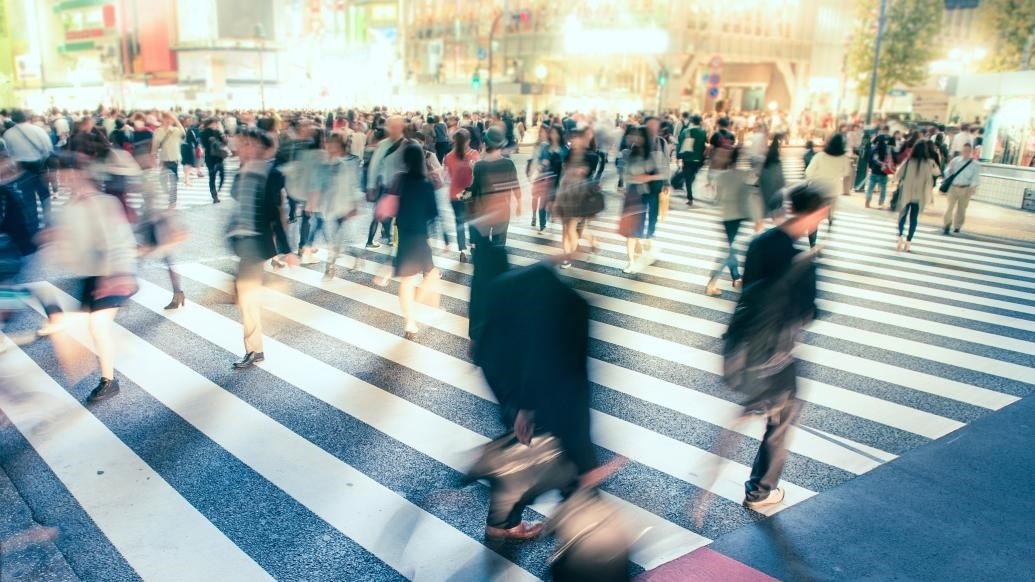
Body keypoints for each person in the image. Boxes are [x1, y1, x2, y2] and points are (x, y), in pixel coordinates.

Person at [473, 257, 600, 540]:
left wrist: (519, 408)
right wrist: (586, 460)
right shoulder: (570, 307)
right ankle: (582, 527)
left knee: (527, 441)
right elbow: (571, 382)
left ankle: (504, 520)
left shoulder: (509, 287)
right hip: (531, 381)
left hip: (504, 369)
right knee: (551, 449)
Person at [730, 182, 828, 509]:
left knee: (775, 410)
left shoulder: (760, 243)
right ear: (815, 213)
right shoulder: (801, 261)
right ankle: (760, 490)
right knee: (783, 419)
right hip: (777, 356)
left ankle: (760, 404)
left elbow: (748, 290)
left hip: (746, 346)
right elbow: (808, 313)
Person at [51, 158, 139, 403]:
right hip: (91, 276)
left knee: (98, 325)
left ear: (83, 174)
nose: (65, 180)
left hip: (114, 274)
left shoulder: (106, 203)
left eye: (69, 174)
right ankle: (116, 349)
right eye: (62, 176)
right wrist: (57, 241)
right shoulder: (68, 208)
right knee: (88, 327)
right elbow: (71, 253)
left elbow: (122, 242)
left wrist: (115, 276)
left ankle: (108, 381)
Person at [226, 127, 296, 369]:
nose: (241, 149)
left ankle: (254, 350)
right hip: (242, 241)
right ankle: (255, 348)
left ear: (257, 147)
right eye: (241, 145)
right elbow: (236, 195)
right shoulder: (244, 171)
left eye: (246, 144)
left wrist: (287, 249)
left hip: (256, 242)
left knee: (246, 297)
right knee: (245, 295)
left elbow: (274, 212)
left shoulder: (270, 173)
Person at [387, 143, 441, 340]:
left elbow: (390, 206)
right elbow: (433, 213)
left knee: (406, 281)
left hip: (404, 235)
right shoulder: (426, 184)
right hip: (420, 237)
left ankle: (409, 322)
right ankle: (418, 303)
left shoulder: (399, 181)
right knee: (432, 274)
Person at [706, 146, 753, 296]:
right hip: (739, 216)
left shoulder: (722, 176)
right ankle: (713, 283)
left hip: (727, 216)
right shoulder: (744, 175)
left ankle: (735, 277)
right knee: (729, 251)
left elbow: (718, 198)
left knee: (730, 249)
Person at [554, 128, 600, 269]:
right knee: (568, 229)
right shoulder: (568, 154)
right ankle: (591, 244)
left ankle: (567, 257)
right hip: (565, 196)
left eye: (576, 138)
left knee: (571, 228)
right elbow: (562, 175)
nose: (573, 141)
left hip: (580, 197)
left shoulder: (591, 156)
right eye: (571, 138)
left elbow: (589, 175)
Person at [468, 126, 520, 248]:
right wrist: (519, 204)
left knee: (483, 244)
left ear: (485, 145)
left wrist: (473, 170)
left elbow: (474, 191)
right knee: (499, 245)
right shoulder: (508, 164)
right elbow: (515, 186)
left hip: (483, 211)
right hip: (502, 211)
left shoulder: (479, 166)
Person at [3, 109, 54, 228]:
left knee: (29, 198)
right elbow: (48, 148)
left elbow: (9, 154)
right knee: (45, 196)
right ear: (26, 118)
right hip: (40, 166)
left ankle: (34, 224)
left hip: (21, 169)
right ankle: (48, 223)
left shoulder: (8, 134)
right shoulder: (38, 130)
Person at [366, 116, 409, 248]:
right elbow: (374, 166)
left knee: (399, 215)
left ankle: (394, 239)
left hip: (402, 187)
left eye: (396, 127)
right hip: (385, 186)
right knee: (379, 213)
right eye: (391, 127)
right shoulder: (383, 145)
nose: (394, 130)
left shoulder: (407, 144)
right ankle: (373, 240)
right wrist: (371, 186)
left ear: (401, 127)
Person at [804, 132, 850, 246]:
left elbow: (808, 172)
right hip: (833, 191)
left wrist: (816, 179)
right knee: (830, 210)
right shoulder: (844, 158)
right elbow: (846, 173)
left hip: (817, 191)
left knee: (813, 219)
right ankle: (830, 220)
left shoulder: (820, 156)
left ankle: (812, 243)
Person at [893, 141, 940, 253]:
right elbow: (937, 172)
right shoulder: (929, 163)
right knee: (913, 218)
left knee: (902, 216)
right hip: (919, 195)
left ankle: (900, 237)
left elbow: (898, 175)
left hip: (906, 193)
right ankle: (908, 242)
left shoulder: (909, 161)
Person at [617, 125, 651, 274]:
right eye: (633, 135)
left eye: (638, 135)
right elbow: (625, 174)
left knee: (635, 232)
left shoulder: (649, 155)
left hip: (643, 196)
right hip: (631, 195)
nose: (635, 138)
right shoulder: (628, 153)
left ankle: (638, 252)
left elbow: (654, 174)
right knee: (630, 232)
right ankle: (631, 261)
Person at [442, 129, 479, 263]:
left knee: (459, 222)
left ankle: (462, 251)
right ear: (468, 141)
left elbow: (446, 177)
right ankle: (473, 245)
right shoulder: (474, 154)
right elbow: (477, 175)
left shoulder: (448, 156)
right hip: (469, 193)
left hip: (454, 194)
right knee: (472, 221)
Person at [942, 143, 981, 235]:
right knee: (949, 207)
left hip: (966, 188)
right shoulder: (955, 160)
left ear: (971, 152)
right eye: (964, 151)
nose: (965, 153)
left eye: (968, 151)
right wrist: (949, 170)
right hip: (953, 187)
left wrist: (973, 187)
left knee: (962, 209)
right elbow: (947, 173)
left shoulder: (975, 164)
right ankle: (947, 225)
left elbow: (975, 177)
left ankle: (957, 226)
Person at [152, 113, 186, 208]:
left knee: (173, 182)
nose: (168, 120)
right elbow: (155, 145)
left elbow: (183, 133)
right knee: (162, 180)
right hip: (164, 159)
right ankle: (168, 194)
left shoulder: (176, 130)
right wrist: (154, 155)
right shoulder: (158, 131)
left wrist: (176, 120)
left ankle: (172, 202)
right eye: (166, 118)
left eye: (170, 119)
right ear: (162, 119)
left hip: (174, 159)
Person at [676, 114, 707, 206]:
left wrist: (678, 156)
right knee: (691, 175)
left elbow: (680, 143)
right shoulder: (703, 132)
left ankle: (690, 198)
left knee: (688, 178)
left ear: (691, 121)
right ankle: (689, 193)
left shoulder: (686, 131)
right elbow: (704, 145)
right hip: (699, 159)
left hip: (687, 158)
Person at [200, 117, 229, 203]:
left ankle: (216, 193)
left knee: (217, 176)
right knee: (216, 176)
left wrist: (223, 138)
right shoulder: (206, 133)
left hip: (215, 157)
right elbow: (205, 144)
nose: (216, 125)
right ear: (211, 123)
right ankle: (215, 194)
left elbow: (224, 143)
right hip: (214, 158)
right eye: (215, 123)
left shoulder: (217, 132)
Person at [865, 126, 894, 208]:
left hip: (874, 170)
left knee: (870, 187)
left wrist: (872, 166)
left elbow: (873, 159)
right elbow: (890, 158)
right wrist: (884, 164)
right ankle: (881, 203)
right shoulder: (887, 150)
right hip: (883, 171)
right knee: (883, 188)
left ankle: (867, 201)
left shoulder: (875, 149)